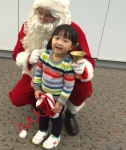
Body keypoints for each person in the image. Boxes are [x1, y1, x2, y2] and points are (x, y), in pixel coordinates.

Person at [9, 0, 95, 136]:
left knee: (84, 88)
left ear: (59, 15)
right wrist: (29, 58)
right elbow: (16, 54)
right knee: (17, 98)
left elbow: (88, 59)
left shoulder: (73, 30)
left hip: (66, 76)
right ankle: (40, 102)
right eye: (39, 12)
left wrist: (82, 68)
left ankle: (70, 114)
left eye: (48, 15)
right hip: (37, 74)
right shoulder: (28, 26)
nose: (42, 19)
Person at [32, 24, 77, 149]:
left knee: (55, 117)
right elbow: (38, 72)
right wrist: (37, 88)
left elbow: (68, 86)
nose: (60, 43)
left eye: (65, 41)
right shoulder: (44, 55)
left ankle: (56, 135)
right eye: (57, 38)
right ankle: (42, 130)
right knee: (43, 113)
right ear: (52, 39)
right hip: (44, 94)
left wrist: (61, 103)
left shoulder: (68, 64)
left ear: (71, 47)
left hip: (57, 98)